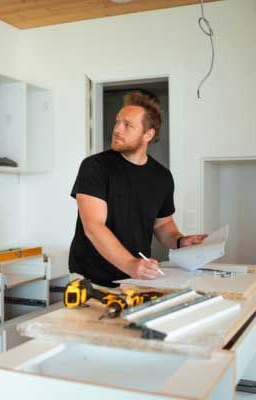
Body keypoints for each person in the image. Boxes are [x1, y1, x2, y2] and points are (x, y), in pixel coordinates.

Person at [69, 91, 206, 287]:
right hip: (90, 280)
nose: (117, 129)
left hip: (135, 280)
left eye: (128, 125)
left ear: (148, 134)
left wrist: (179, 241)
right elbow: (94, 227)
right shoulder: (95, 167)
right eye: (118, 122)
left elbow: (162, 224)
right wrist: (131, 264)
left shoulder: (162, 177)